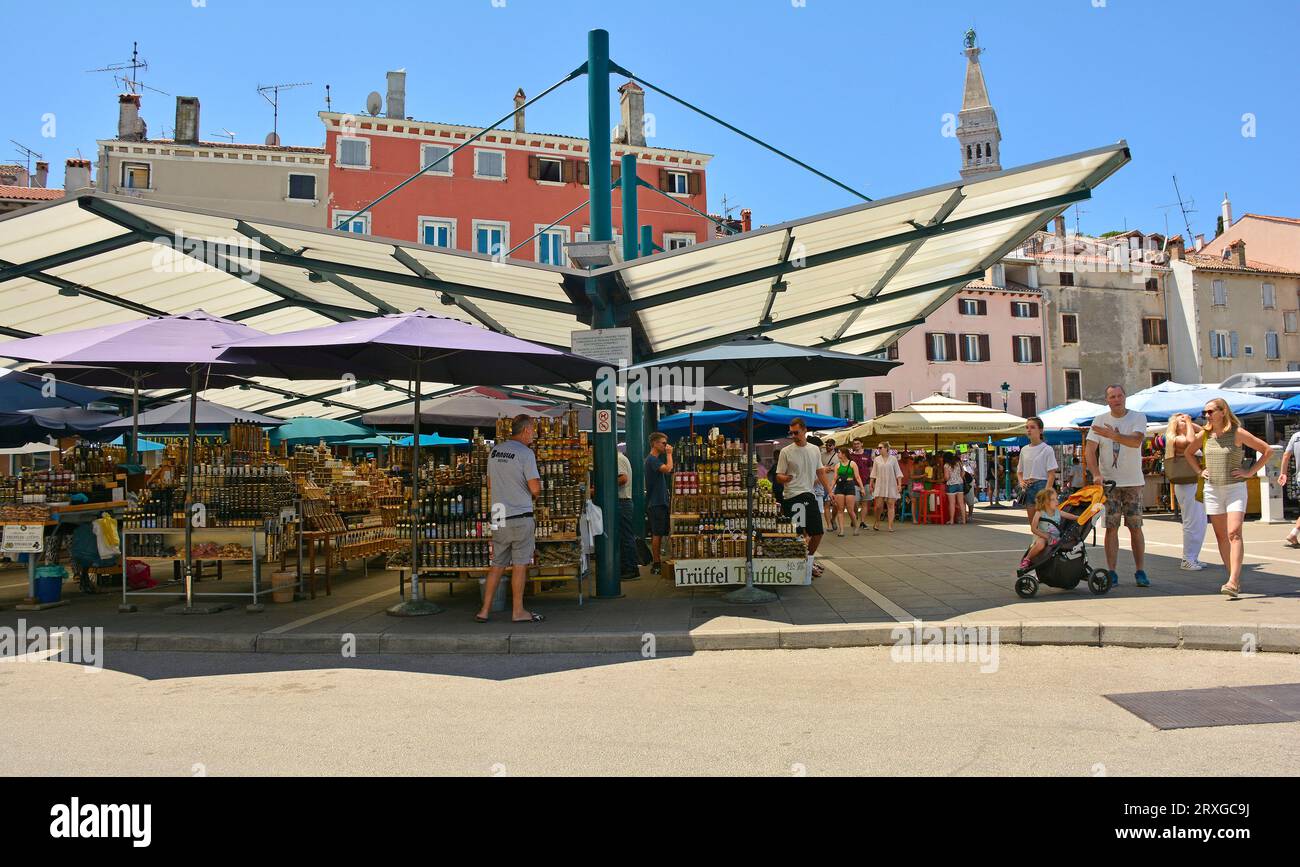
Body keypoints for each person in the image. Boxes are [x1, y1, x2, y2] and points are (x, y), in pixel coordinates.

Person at [1184, 398, 1272, 598]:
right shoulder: (1205, 434)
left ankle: (1232, 580)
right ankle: (1233, 577)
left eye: (1211, 411)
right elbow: (1189, 452)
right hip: (1212, 490)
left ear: (1223, 412)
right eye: (1205, 412)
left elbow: (1266, 450)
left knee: (1234, 533)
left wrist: (1250, 472)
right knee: (1221, 536)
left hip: (1235, 489)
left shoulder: (1237, 432)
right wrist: (1199, 471)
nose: (1207, 415)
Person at [477, 415, 544, 624]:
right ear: (525, 430)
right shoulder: (526, 453)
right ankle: (518, 611)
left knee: (497, 563)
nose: (533, 434)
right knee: (520, 565)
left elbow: (489, 484)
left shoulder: (495, 451)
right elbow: (535, 489)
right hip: (519, 513)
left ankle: (484, 610)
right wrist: (533, 491)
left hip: (498, 512)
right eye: (532, 430)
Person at [1084, 384, 1149, 588]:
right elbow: (1089, 451)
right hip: (1109, 484)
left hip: (1133, 482)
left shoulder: (1138, 417)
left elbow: (1136, 442)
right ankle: (1112, 571)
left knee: (1135, 527)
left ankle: (1140, 570)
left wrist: (1114, 436)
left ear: (1125, 397)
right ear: (1107, 400)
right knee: (1111, 528)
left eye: (1119, 395)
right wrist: (1095, 473)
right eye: (1112, 396)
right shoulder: (1099, 420)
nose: (1116, 399)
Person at [776, 418, 828, 578]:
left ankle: (808, 561)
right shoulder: (786, 451)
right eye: (791, 433)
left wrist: (829, 490)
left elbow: (820, 471)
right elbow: (778, 475)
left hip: (808, 493)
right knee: (799, 534)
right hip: (792, 495)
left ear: (805, 430)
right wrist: (785, 479)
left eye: (796, 432)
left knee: (817, 532)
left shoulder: (814, 450)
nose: (793, 435)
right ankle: (804, 565)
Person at [1164, 413, 1209, 570]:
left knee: (1200, 521)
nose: (1186, 422)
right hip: (1186, 483)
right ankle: (1187, 559)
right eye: (1181, 421)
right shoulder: (1177, 439)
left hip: (1194, 483)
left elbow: (1206, 431)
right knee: (1191, 521)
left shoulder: (1186, 434)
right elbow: (1191, 441)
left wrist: (1190, 423)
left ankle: (1193, 557)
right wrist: (1189, 422)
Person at [1017, 416, 1058, 529]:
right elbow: (1019, 471)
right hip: (1028, 487)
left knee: (1043, 522)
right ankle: (1037, 544)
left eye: (1032, 427)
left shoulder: (1047, 449)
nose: (1029, 430)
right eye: (1027, 427)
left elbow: (1051, 474)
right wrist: (1021, 482)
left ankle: (1043, 544)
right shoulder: (1024, 450)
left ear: (1040, 430)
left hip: (1042, 485)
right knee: (1033, 524)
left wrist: (1046, 492)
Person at [1020, 487, 1074, 570]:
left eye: (1056, 498)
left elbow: (1071, 516)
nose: (1057, 501)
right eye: (1053, 499)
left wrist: (1082, 517)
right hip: (1042, 536)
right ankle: (1027, 559)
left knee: (1064, 545)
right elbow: (1033, 529)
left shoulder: (1058, 512)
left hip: (1055, 537)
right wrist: (1045, 536)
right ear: (1046, 502)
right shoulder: (1040, 513)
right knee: (1041, 544)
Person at [644, 431, 674, 575]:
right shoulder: (652, 460)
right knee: (657, 534)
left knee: (661, 532)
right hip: (656, 503)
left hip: (659, 501)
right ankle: (656, 563)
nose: (665, 446)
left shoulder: (653, 460)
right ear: (655, 443)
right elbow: (668, 469)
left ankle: (658, 562)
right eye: (663, 443)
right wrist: (669, 454)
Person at [869, 441, 904, 531]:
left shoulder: (893, 459)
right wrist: (871, 484)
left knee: (891, 505)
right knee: (878, 506)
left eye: (880, 448)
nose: (879, 449)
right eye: (878, 448)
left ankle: (890, 525)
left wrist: (899, 484)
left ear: (886, 448)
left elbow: (898, 472)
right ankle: (877, 521)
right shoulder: (877, 459)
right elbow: (873, 472)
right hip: (880, 484)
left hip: (891, 484)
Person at [831, 445, 865, 537]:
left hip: (850, 486)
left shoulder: (852, 463)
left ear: (844, 454)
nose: (838, 454)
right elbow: (834, 479)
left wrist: (862, 488)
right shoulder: (837, 465)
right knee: (840, 510)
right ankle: (841, 530)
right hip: (840, 487)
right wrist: (831, 490)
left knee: (850, 510)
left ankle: (856, 526)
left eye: (839, 452)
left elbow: (857, 477)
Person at [615, 447, 639, 580]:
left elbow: (623, 478)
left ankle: (630, 568)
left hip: (622, 502)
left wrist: (605, 485)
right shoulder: (621, 458)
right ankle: (628, 568)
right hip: (624, 502)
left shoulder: (617, 459)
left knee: (625, 536)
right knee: (626, 536)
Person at [1279, 428, 1300, 548]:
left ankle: (1293, 533)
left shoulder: (1295, 436)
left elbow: (1286, 455)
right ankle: (1293, 533)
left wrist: (1283, 473)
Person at [849, 439, 873, 529]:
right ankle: (854, 517)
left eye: (858, 443)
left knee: (865, 502)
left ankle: (862, 522)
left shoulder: (867, 456)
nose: (856, 445)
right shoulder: (851, 456)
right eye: (854, 444)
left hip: (866, 482)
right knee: (854, 502)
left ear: (862, 444)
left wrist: (872, 482)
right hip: (854, 482)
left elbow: (871, 468)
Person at [819, 437, 838, 533]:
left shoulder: (838, 456)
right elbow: (818, 468)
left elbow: (841, 469)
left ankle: (833, 519)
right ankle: (829, 525)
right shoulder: (821, 455)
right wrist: (824, 468)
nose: (827, 447)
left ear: (834, 446)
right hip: (824, 483)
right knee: (826, 504)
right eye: (826, 445)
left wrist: (832, 469)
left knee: (836, 505)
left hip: (834, 483)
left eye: (829, 445)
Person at [942, 452, 967, 525]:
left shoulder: (946, 465)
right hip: (960, 484)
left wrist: (944, 479)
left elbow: (947, 477)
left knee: (952, 503)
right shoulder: (958, 463)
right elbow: (963, 473)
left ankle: (951, 520)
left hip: (951, 485)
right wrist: (959, 478)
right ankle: (964, 520)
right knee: (961, 503)